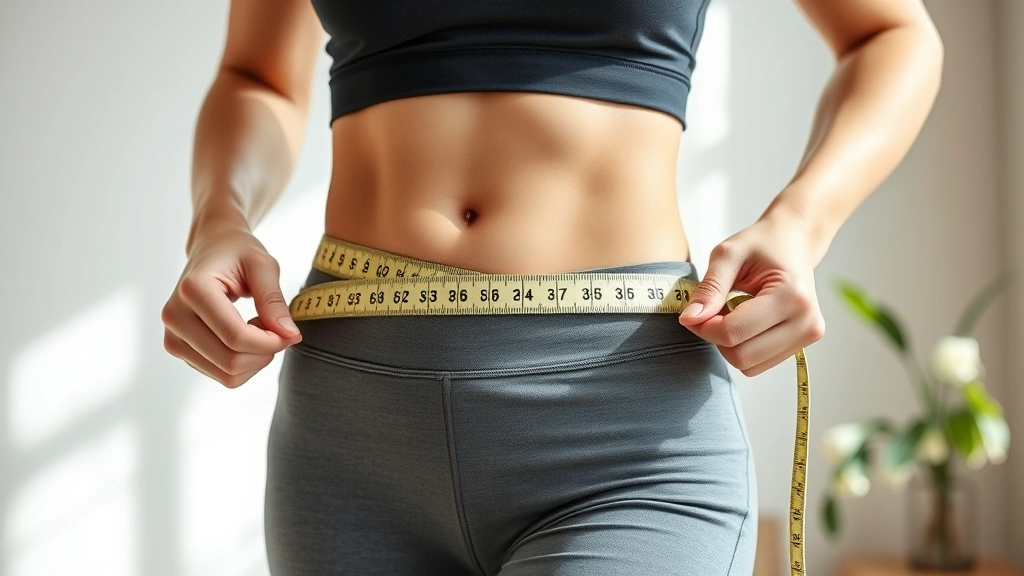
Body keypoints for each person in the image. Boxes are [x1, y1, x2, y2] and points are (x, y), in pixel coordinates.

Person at [160, 0, 943, 574]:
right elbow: (255, 75)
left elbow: (891, 34)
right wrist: (218, 219)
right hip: (348, 439)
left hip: (623, 431)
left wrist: (802, 224)